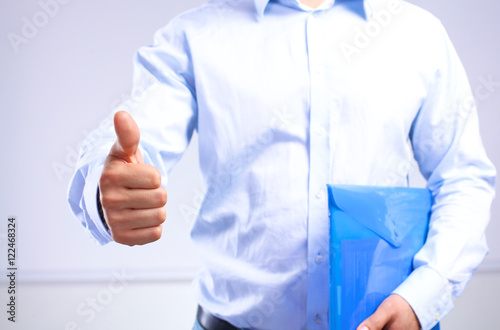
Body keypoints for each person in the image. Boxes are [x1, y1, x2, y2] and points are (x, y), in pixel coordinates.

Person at [67, 0, 496, 329]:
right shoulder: (193, 37)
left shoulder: (418, 34)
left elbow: (464, 178)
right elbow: (127, 145)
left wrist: (425, 294)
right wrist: (107, 191)